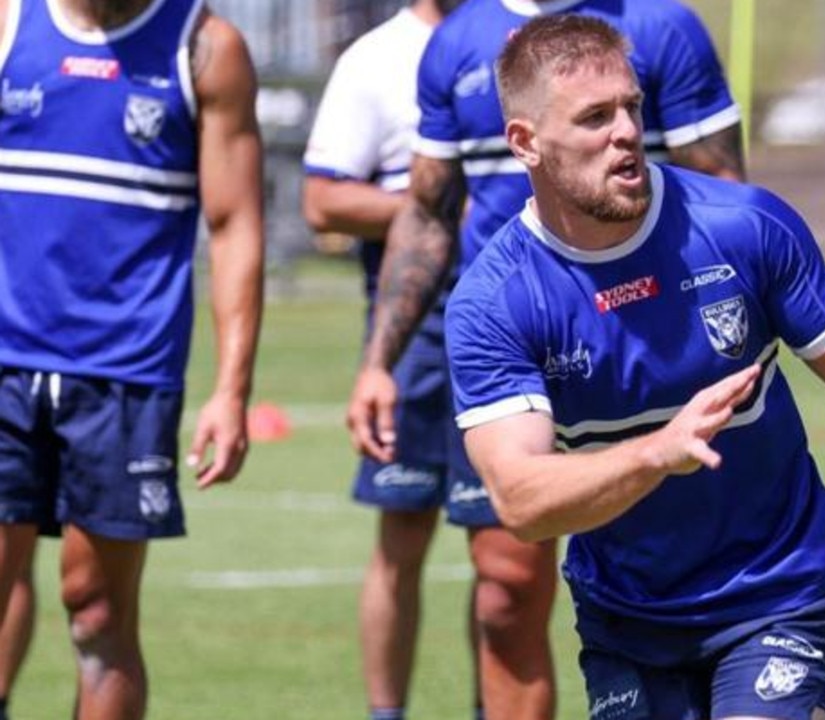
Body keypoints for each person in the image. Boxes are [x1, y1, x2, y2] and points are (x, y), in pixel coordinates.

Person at [440, 16, 825, 720]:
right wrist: (658, 455)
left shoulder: (744, 225)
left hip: (778, 586)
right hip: (627, 613)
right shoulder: (495, 301)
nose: (627, 132)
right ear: (526, 143)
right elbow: (521, 500)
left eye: (632, 107)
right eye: (595, 117)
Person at [346, 1, 744, 718]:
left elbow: (728, 198)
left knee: (693, 590)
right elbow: (430, 214)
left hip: (651, 351)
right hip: (521, 351)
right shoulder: (456, 42)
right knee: (505, 591)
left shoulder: (660, 27)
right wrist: (380, 359)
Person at [0, 0, 264, 718]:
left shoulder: (206, 47)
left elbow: (235, 222)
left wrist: (231, 389)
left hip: (126, 376)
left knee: (96, 612)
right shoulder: (9, 24)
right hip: (4, 366)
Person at [300, 2, 496, 720]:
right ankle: (387, 715)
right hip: (413, 328)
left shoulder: (519, 35)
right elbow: (321, 201)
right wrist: (435, 205)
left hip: (512, 328)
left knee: (502, 552)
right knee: (402, 532)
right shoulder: (374, 60)